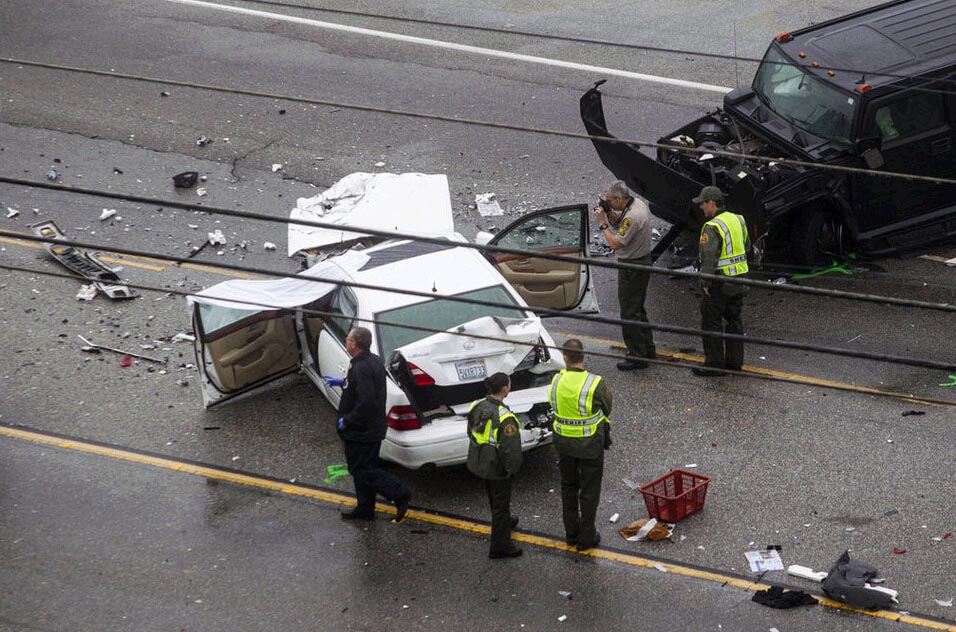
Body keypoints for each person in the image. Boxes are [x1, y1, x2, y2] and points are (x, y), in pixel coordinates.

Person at [325, 327, 412, 521]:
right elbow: (365, 387)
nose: (346, 342)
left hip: (362, 431)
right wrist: (344, 382)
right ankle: (365, 508)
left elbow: (366, 402)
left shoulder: (362, 367)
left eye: (348, 340)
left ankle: (399, 493)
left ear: (354, 344)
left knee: (360, 469)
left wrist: (347, 420)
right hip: (372, 428)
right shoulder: (371, 361)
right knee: (364, 467)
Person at [549, 339, 612, 551]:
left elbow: (553, 404)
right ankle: (587, 537)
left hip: (563, 444)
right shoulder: (595, 383)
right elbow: (607, 408)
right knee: (589, 490)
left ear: (565, 357)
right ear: (583, 356)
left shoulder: (556, 380)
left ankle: (571, 534)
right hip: (590, 445)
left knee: (568, 487)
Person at [594, 180, 656, 370]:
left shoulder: (633, 217)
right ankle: (647, 348)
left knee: (629, 312)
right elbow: (620, 223)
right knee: (637, 308)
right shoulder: (637, 204)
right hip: (641, 261)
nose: (611, 204)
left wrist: (603, 223)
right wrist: (609, 212)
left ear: (620, 199)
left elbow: (615, 244)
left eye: (612, 201)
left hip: (632, 266)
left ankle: (637, 356)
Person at [691, 186, 751, 377]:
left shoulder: (712, 226)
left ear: (712, 203)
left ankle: (714, 365)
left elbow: (709, 258)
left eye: (703, 203)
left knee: (711, 322)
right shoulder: (738, 219)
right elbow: (748, 246)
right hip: (740, 279)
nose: (701, 207)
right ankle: (734, 363)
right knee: (734, 320)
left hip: (720, 282)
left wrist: (705, 284)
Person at [466, 372, 524, 559]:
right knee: (501, 504)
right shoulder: (505, 417)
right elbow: (510, 450)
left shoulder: (477, 405)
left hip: (481, 460)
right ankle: (500, 545)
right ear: (505, 388)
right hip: (496, 466)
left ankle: (505, 522)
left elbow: (471, 431)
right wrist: (512, 469)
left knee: (493, 497)